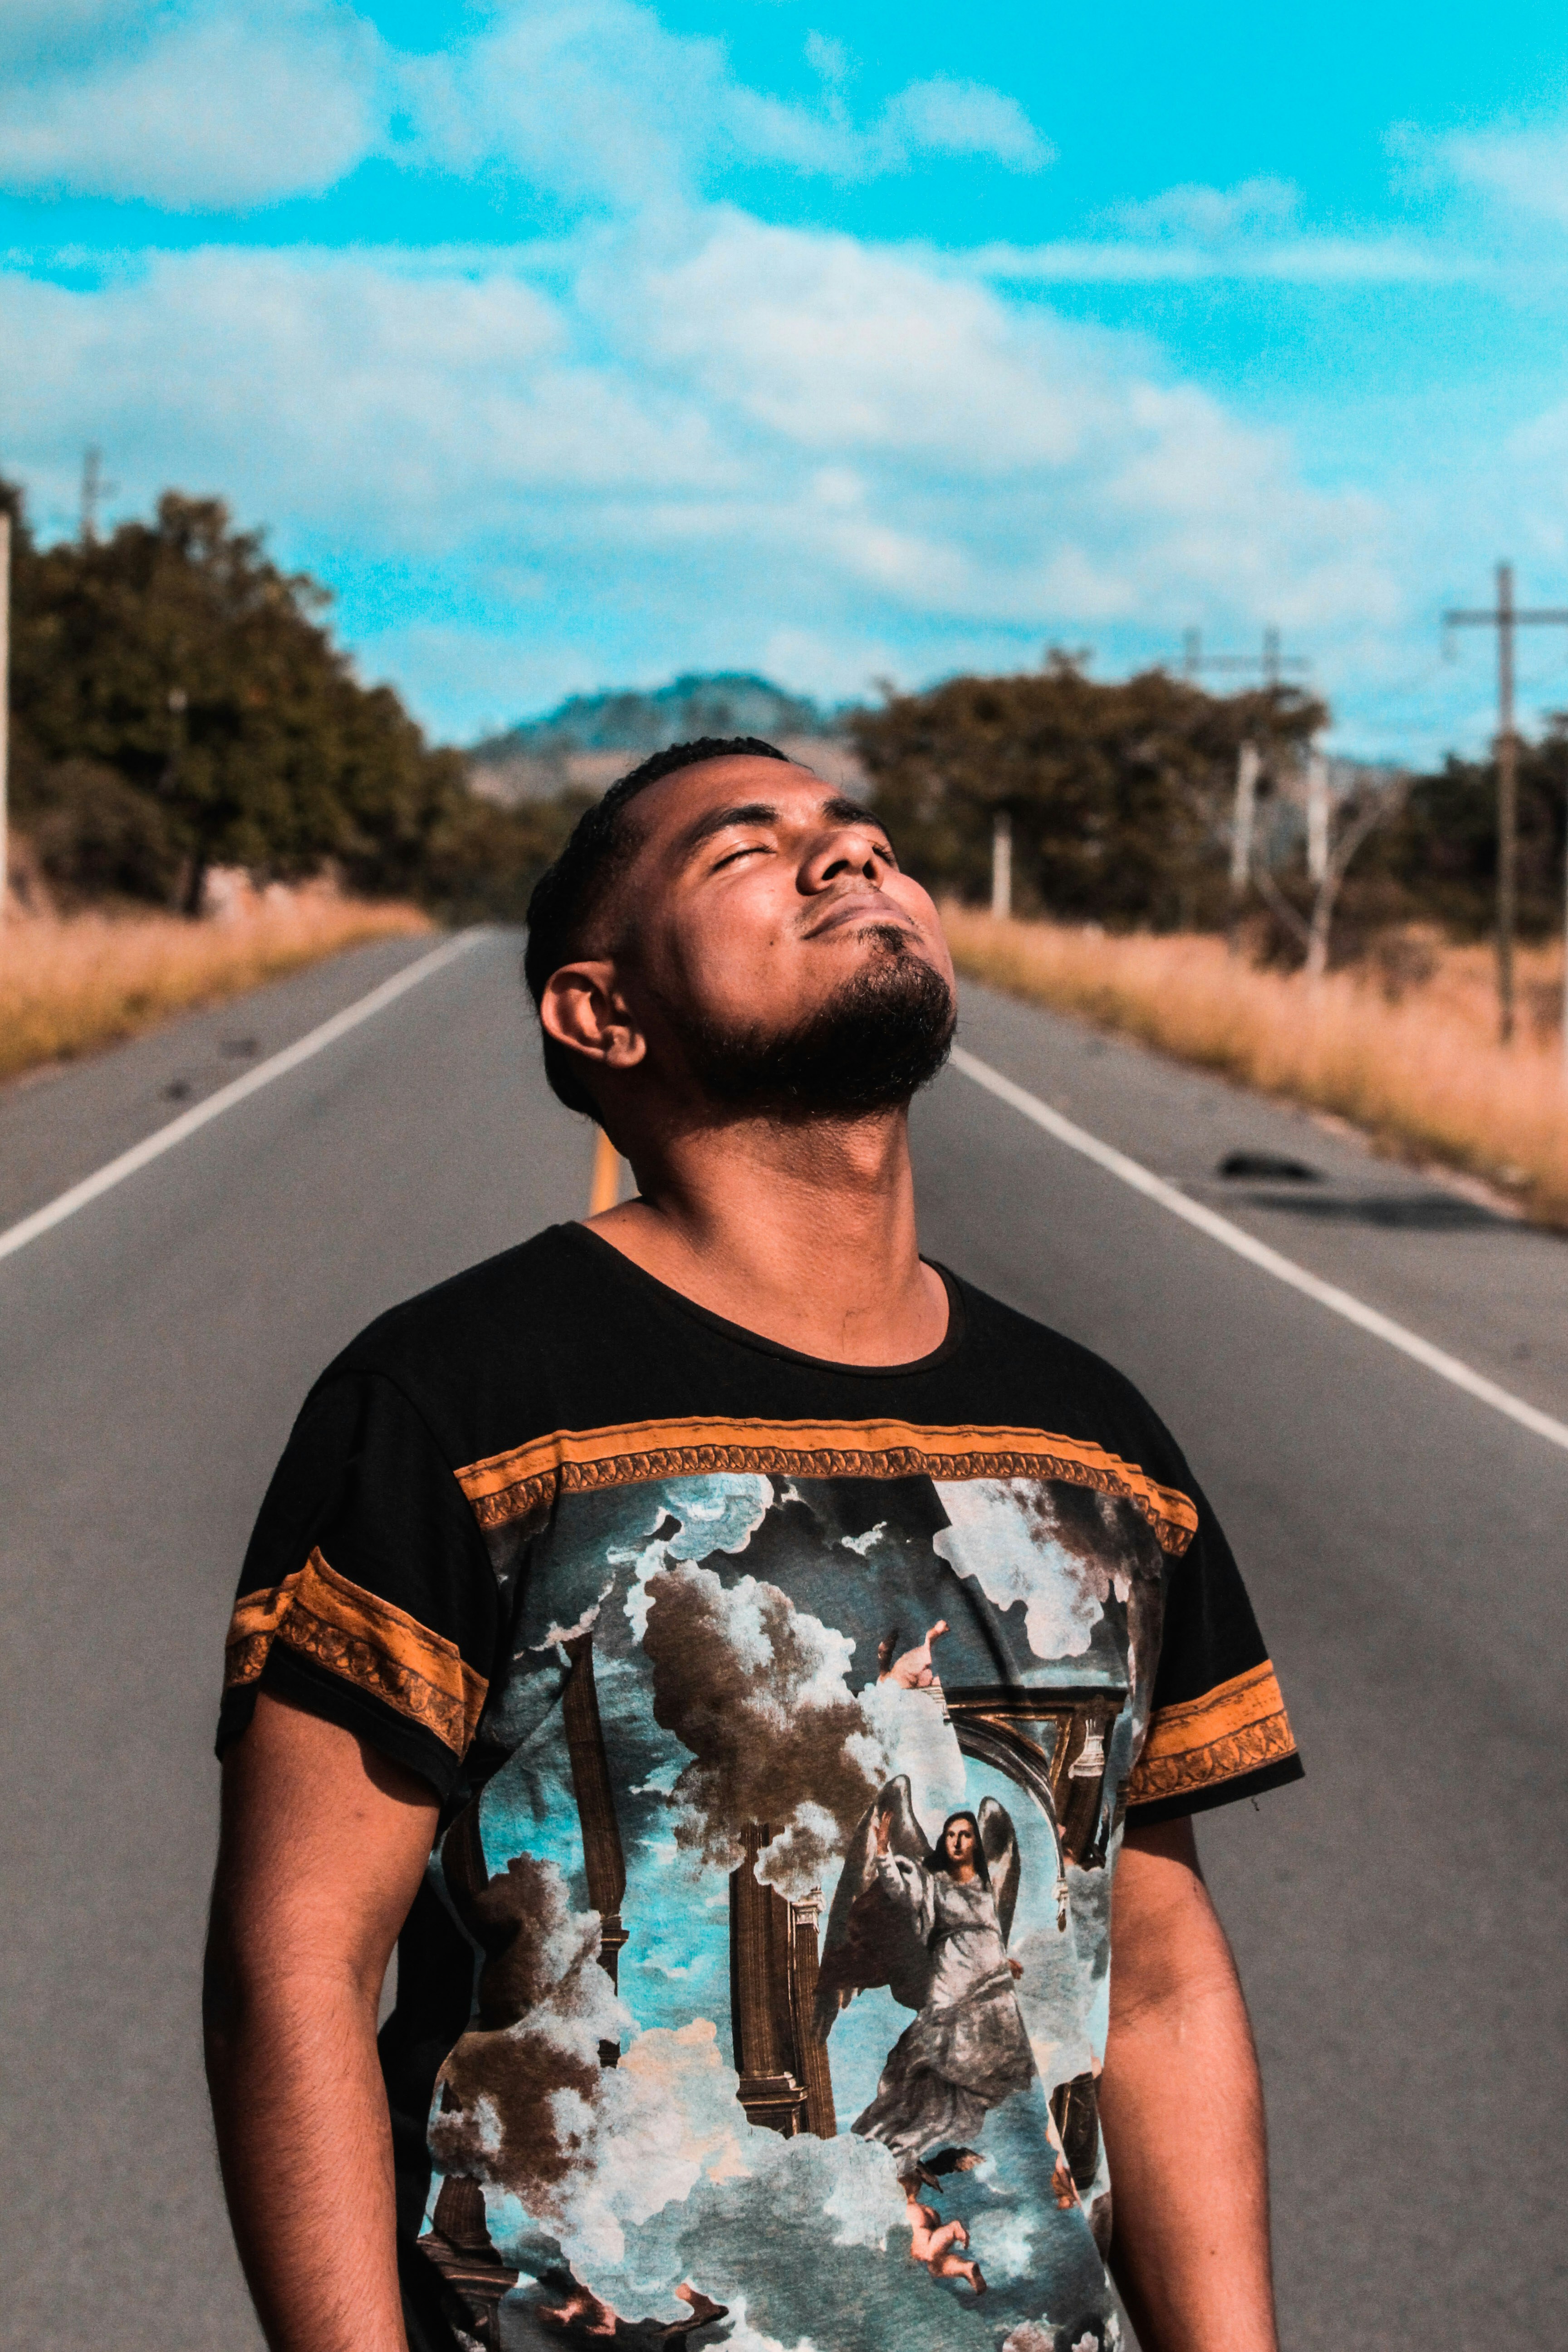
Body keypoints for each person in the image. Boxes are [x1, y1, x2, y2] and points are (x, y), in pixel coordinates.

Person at [206, 735, 1303, 2352]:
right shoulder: (454, 1403)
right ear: (601, 1011)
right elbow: (296, 1966)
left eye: (862, 837)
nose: (848, 859)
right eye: (745, 852)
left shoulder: (1099, 1443)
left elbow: (1153, 1982)